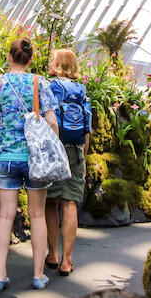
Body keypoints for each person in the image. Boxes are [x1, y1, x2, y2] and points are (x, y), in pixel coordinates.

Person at [0, 37, 60, 292]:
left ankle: (0, 276)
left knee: (5, 215)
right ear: (30, 59)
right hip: (35, 159)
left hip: (6, 156)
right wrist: (53, 146)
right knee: (37, 215)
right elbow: (52, 121)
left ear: (9, 56)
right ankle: (38, 275)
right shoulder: (40, 83)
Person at [44, 48, 88, 277]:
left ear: (60, 64)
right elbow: (87, 126)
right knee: (70, 203)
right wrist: (83, 155)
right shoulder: (81, 90)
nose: (49, 63)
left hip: (54, 148)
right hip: (75, 149)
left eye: (52, 60)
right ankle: (66, 261)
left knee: (50, 202)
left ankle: (52, 254)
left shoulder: (49, 87)